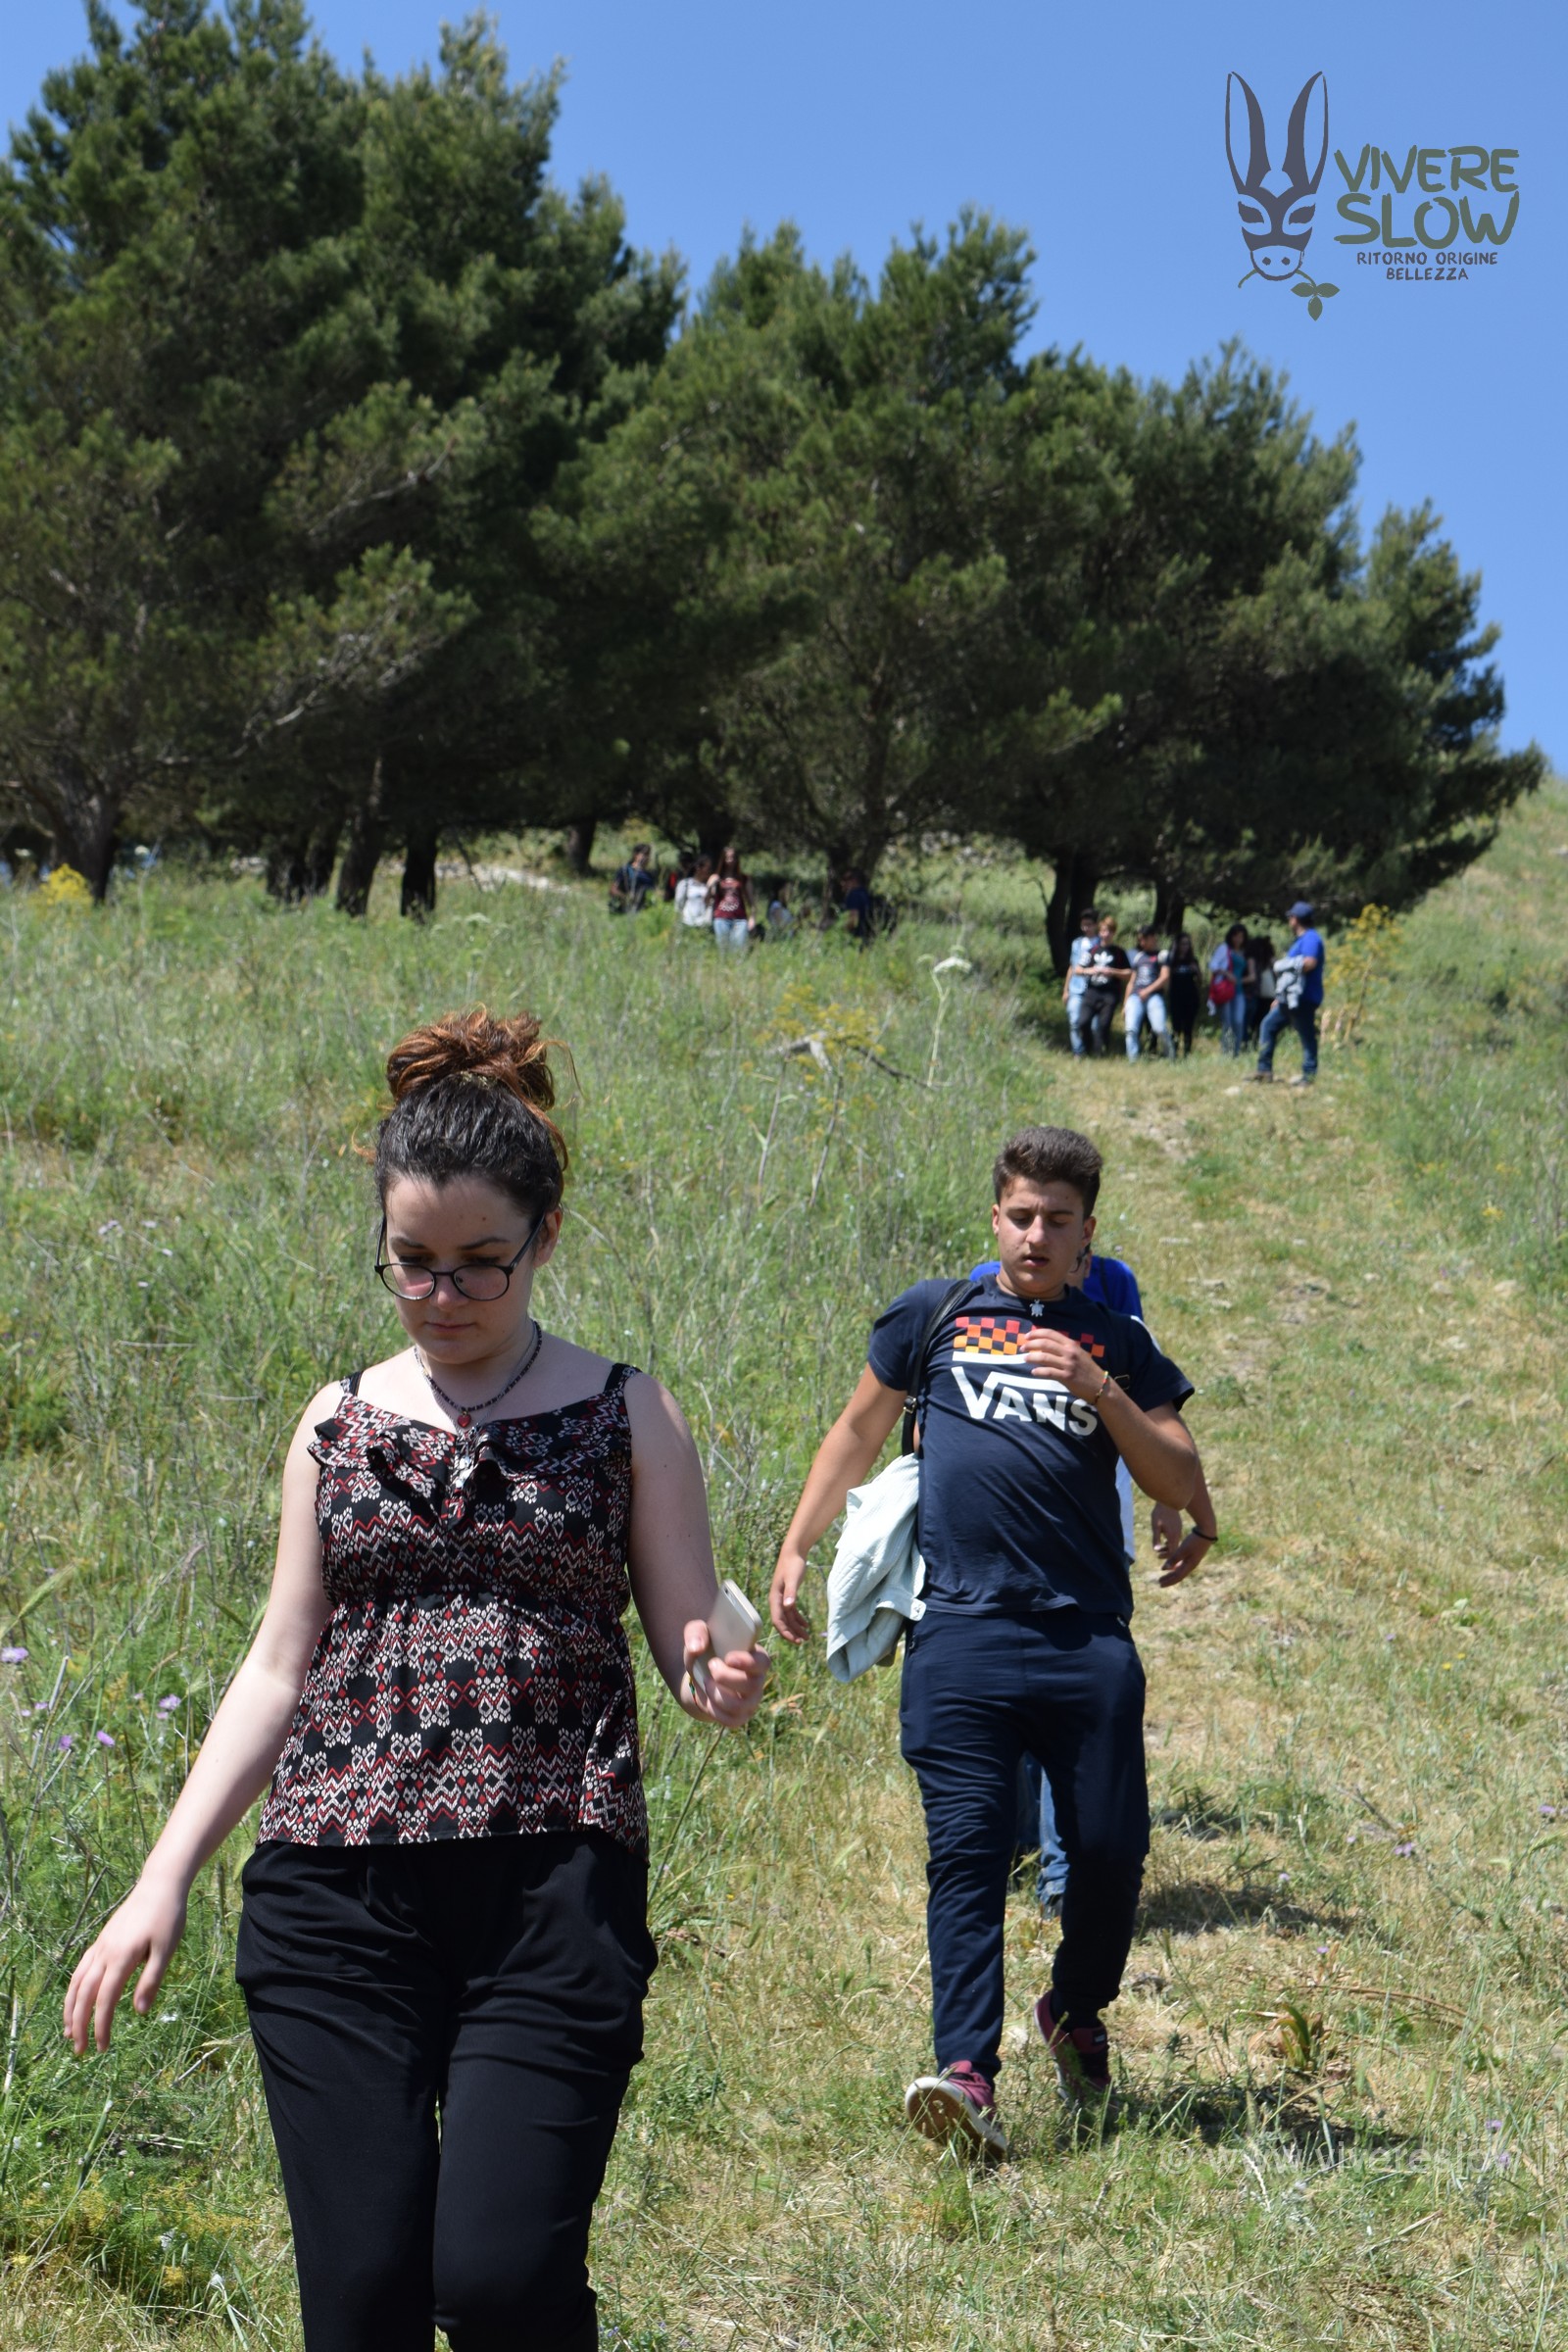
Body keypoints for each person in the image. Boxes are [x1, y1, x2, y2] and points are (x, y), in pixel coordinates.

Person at [65, 1007, 768, 2352]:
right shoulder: (333, 1425)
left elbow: (689, 1628)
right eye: (412, 1265)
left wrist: (714, 1680)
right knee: (364, 2299)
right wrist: (162, 1879)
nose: (443, 1298)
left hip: (550, 1888)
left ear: (545, 1239)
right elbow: (278, 1665)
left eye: (478, 1266)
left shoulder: (627, 1413)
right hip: (333, 1897)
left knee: (499, 2283)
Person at [770, 1126, 1198, 2156]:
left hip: (1085, 1638)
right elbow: (856, 1432)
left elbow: (1179, 1476)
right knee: (966, 1856)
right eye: (1020, 1215)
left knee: (1109, 1854)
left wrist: (1098, 1388)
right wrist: (796, 1546)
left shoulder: (1117, 1341)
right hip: (958, 1632)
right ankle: (967, 2076)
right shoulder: (936, 1316)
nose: (1036, 1235)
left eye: (1058, 1220)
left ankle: (1075, 2008)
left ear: (1088, 1233)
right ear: (994, 1219)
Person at [962, 1241, 1218, 1919]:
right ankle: (1019, 1846)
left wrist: (1185, 1509)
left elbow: (1161, 1425)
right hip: (999, 1548)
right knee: (1011, 1707)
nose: (1050, 1252)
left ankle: (1060, 1876)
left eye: (1071, 1242)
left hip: (1092, 1547)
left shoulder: (1115, 1321)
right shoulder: (977, 1310)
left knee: (1067, 1714)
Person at [1250, 901, 1326, 1086]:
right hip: (1288, 999)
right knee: (1268, 1026)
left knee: (1306, 1035)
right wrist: (1280, 997)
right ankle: (1264, 1071)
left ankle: (1309, 1076)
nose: (1289, 920)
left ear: (1296, 919)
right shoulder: (1301, 940)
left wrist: (1285, 965)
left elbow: (1310, 963)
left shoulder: (1311, 939)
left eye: (1291, 917)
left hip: (1303, 998)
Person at [1081, 915, 1132, 1055]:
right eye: (1103, 931)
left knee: (1104, 1025)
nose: (1106, 934)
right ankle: (1087, 1048)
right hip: (1092, 991)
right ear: (1099, 932)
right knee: (1083, 1021)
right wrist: (1089, 970)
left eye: (1109, 931)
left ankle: (1100, 1052)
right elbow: (1078, 969)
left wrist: (1113, 972)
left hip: (1110, 994)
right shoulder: (1092, 950)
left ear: (1113, 933)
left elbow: (1129, 973)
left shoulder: (1119, 952)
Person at [1124, 926, 1173, 1061]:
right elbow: (1131, 982)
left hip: (1154, 996)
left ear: (1152, 937)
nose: (1141, 943)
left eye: (1144, 939)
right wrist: (1125, 1004)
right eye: (1140, 940)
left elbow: (1165, 977)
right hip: (1135, 996)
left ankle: (1170, 1056)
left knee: (1159, 1028)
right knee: (1131, 1029)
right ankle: (1133, 1059)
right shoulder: (1138, 957)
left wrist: (1147, 991)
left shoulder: (1162, 955)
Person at [1061, 906, 1100, 1058]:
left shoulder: (1100, 943)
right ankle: (1078, 1051)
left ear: (1095, 925)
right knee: (1074, 1020)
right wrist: (1066, 990)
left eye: (1089, 925)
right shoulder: (1077, 943)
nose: (1086, 928)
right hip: (1076, 988)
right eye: (1083, 925)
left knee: (1094, 1025)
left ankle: (1095, 1050)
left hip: (1094, 988)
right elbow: (1072, 967)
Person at [1208, 924, 1251, 1058]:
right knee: (1227, 1023)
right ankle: (1226, 1052)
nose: (1238, 939)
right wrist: (1227, 973)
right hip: (1225, 990)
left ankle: (1236, 1052)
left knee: (1238, 1021)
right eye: (1236, 936)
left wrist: (1240, 980)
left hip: (1238, 991)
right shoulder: (1224, 948)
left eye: (1241, 937)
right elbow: (1213, 965)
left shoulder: (1244, 952)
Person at [707, 846, 755, 954]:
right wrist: (709, 886)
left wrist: (752, 917)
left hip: (740, 919)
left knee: (739, 951)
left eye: (732, 857)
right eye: (727, 858)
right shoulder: (716, 878)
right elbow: (707, 900)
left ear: (737, 859)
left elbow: (751, 901)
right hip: (721, 918)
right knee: (723, 951)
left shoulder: (744, 878)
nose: (730, 860)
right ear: (723, 859)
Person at [1166, 933, 1202, 1056]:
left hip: (1191, 998)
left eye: (1187, 944)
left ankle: (1187, 1052)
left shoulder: (1193, 960)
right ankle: (1174, 1052)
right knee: (1176, 1026)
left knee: (1188, 1027)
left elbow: (1200, 981)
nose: (1185, 946)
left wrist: (1196, 970)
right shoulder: (1171, 961)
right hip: (1175, 998)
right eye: (1182, 944)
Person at [608, 843, 656, 914]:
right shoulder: (625, 870)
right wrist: (625, 897)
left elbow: (654, 892)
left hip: (646, 911)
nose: (646, 857)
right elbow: (612, 890)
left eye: (648, 855)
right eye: (644, 854)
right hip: (629, 909)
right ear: (635, 854)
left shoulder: (649, 875)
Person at [674, 854, 713, 937]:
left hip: (703, 926)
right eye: (708, 868)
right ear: (698, 868)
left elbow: (709, 906)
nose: (709, 871)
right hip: (687, 924)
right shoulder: (685, 884)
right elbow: (678, 905)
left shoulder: (709, 887)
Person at [1248, 935, 1277, 1044]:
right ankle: (1260, 1042)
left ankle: (1254, 1042)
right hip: (1268, 995)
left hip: (1259, 995)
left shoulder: (1255, 960)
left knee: (1255, 1021)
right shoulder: (1269, 960)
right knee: (1263, 1020)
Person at [839, 868, 874, 944]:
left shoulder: (854, 895)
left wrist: (839, 931)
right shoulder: (865, 893)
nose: (842, 882)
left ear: (854, 880)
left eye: (845, 879)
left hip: (857, 940)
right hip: (869, 938)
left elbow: (852, 920)